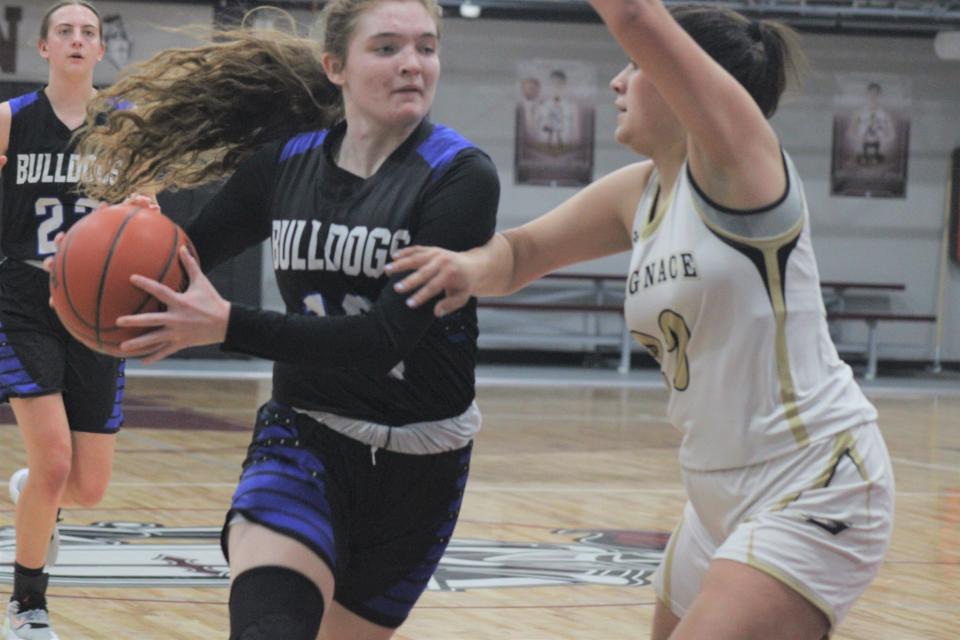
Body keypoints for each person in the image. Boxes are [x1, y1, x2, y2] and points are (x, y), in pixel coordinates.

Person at [387, 2, 894, 639]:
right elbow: (521, 254)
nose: (617, 82)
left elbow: (634, 14)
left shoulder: (743, 166)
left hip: (814, 479)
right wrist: (465, 268)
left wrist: (641, 32)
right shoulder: (644, 190)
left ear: (685, 75)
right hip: (713, 493)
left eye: (634, 67)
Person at [75, 1, 499, 638]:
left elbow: (383, 340)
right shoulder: (284, 163)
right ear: (336, 66)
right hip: (303, 437)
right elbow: (184, 263)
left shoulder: (459, 177)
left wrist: (228, 326)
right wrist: (139, 237)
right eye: (387, 48)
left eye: (426, 47)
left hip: (424, 464)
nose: (413, 64)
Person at [0, 3, 120, 639]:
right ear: (42, 48)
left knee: (88, 488)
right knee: (53, 462)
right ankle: (27, 604)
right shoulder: (10, 120)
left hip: (99, 312)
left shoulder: (124, 127)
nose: (78, 39)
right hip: (23, 302)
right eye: (65, 31)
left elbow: (144, 218)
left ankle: (31, 493)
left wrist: (143, 208)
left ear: (101, 50)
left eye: (89, 32)